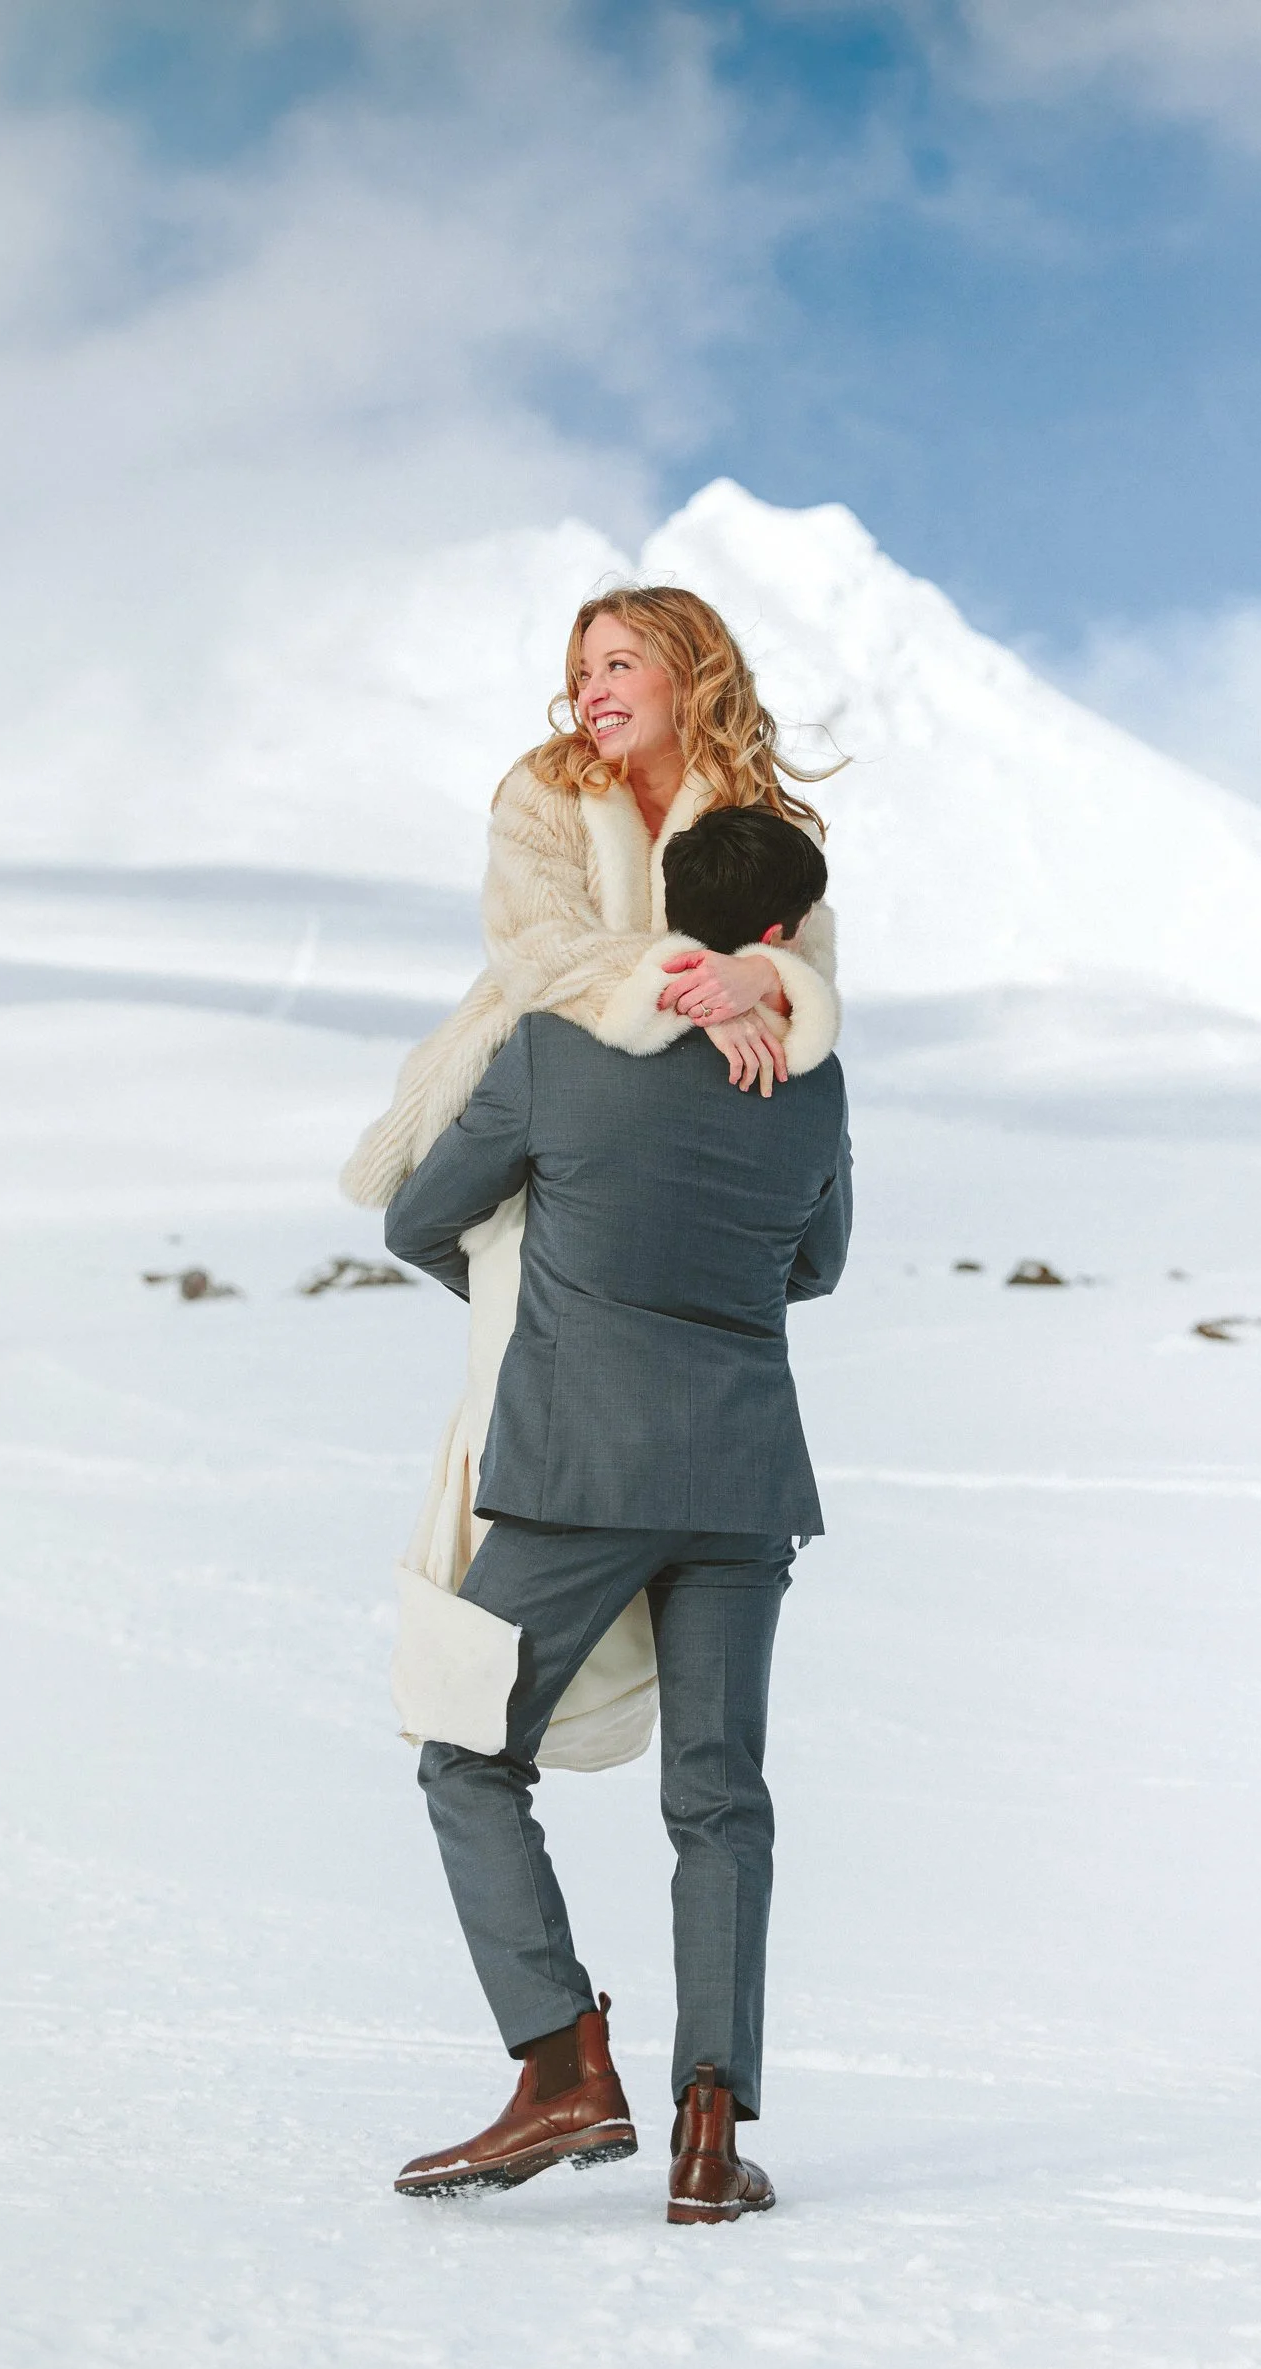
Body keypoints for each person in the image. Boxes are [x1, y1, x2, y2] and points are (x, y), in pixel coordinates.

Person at [380, 808, 850, 2226]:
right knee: (720, 1801)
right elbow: (814, 1266)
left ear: (664, 909)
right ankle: (710, 2134)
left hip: (577, 1471)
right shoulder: (812, 1083)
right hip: (743, 1478)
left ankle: (560, 2064)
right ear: (779, 936)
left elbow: (417, 1219)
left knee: (467, 1752)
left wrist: (544, 1316)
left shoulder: (556, 1051)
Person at [343, 587, 842, 1773]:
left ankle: (519, 1736)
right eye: (582, 670)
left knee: (634, 1470)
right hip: (553, 1111)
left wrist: (763, 987)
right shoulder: (547, 789)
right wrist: (696, 988)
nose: (592, 690)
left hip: (685, 1158)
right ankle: (500, 1720)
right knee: (528, 1435)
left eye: (620, 663)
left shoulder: (770, 820)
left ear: (690, 670)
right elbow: (540, 950)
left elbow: (802, 964)